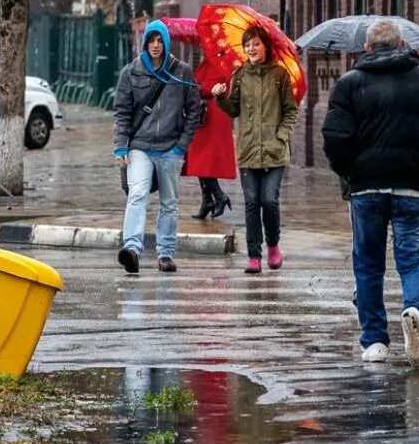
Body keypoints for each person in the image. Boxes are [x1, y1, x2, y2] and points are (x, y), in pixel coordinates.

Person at [322, 19, 419, 366]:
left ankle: (375, 341)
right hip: (414, 185)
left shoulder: (349, 84)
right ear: (402, 44)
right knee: (414, 260)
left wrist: (350, 173)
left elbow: (335, 139)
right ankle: (414, 311)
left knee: (368, 265)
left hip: (366, 187)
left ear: (366, 48)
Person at [112, 20, 202, 274]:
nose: (155, 45)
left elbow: (193, 111)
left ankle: (165, 253)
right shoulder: (131, 72)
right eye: (151, 40)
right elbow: (122, 112)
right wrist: (121, 146)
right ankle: (132, 249)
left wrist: (181, 146)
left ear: (166, 42)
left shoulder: (181, 72)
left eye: (160, 40)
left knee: (170, 202)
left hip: (170, 148)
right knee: (137, 194)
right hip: (140, 146)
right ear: (145, 42)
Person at [213, 27, 299, 275]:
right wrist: (221, 98)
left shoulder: (280, 76)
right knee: (252, 203)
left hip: (274, 151)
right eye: (247, 45)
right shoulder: (239, 76)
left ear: (265, 46)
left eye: (255, 44)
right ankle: (254, 256)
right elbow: (233, 110)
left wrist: (281, 137)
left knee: (269, 201)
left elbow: (291, 111)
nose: (251, 49)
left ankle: (273, 245)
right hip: (248, 150)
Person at [187, 58, 236, 221]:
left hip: (213, 116)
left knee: (203, 161)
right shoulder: (207, 60)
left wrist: (194, 87)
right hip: (204, 115)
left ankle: (219, 196)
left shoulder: (219, 61)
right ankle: (207, 201)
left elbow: (211, 87)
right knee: (200, 162)